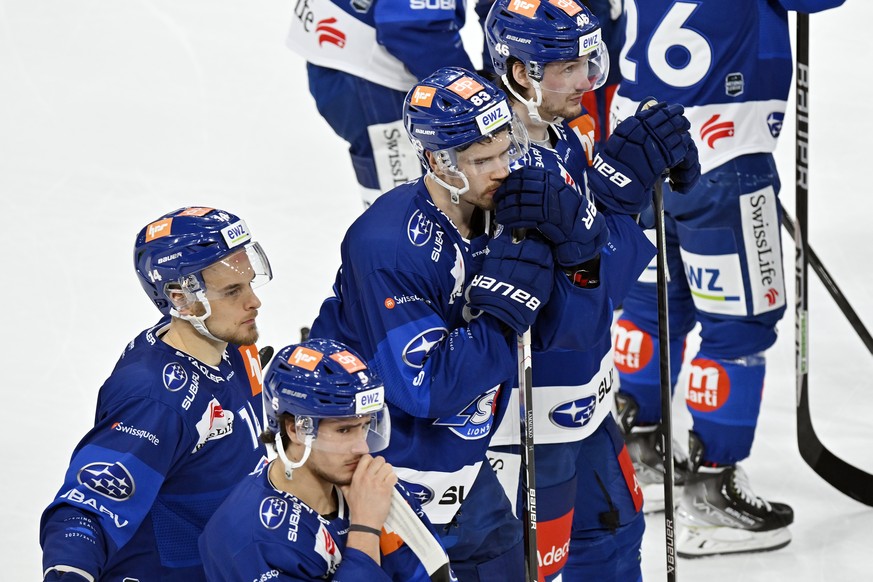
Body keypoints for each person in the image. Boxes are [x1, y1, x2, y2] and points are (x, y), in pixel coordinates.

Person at [308, 65, 624, 581]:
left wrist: (579, 260)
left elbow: (568, 335)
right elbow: (425, 389)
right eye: (482, 160)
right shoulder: (386, 244)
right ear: (437, 161)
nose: (502, 170)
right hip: (389, 477)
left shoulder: (511, 207)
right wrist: (503, 315)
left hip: (465, 468)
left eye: (506, 152)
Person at [609, 0, 844, 557]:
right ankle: (712, 491)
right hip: (724, 150)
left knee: (650, 305)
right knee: (739, 325)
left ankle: (641, 453)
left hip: (636, 144)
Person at [482, 0, 698, 579]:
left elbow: (607, 284)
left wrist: (612, 202)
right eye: (569, 67)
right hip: (526, 433)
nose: (588, 80)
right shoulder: (491, 177)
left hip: (591, 408)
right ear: (521, 72)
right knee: (537, 568)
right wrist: (608, 219)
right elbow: (568, 316)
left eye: (589, 61)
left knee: (617, 543)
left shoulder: (566, 139)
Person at [40, 207, 273, 581]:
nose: (254, 302)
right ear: (181, 300)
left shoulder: (227, 344)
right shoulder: (155, 400)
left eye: (249, 283)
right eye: (233, 290)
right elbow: (86, 510)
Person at [199, 338, 456, 581]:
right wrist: (365, 528)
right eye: (344, 430)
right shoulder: (249, 539)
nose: (362, 447)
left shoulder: (373, 487)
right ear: (296, 429)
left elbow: (434, 573)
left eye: (365, 426)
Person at [285, 0, 477, 207]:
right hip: (373, 78)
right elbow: (411, 26)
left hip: (341, 50)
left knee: (398, 193)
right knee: (408, 202)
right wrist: (470, 92)